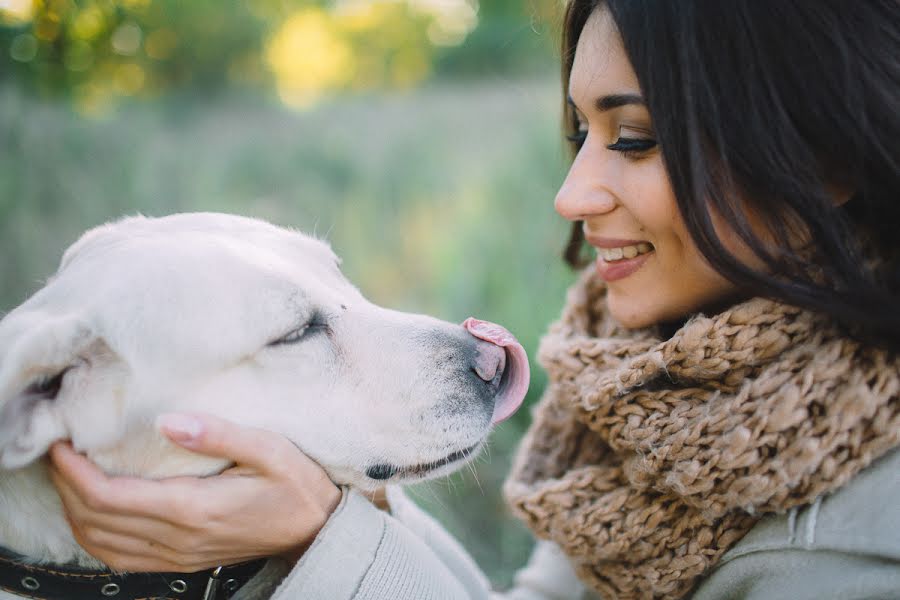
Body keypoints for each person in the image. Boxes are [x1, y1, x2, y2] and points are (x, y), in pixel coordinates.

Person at [47, 0, 900, 598]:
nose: (571, 194)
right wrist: (326, 513)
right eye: (580, 134)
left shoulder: (859, 540)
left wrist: (324, 538)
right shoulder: (650, 385)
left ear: (827, 159)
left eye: (634, 138)